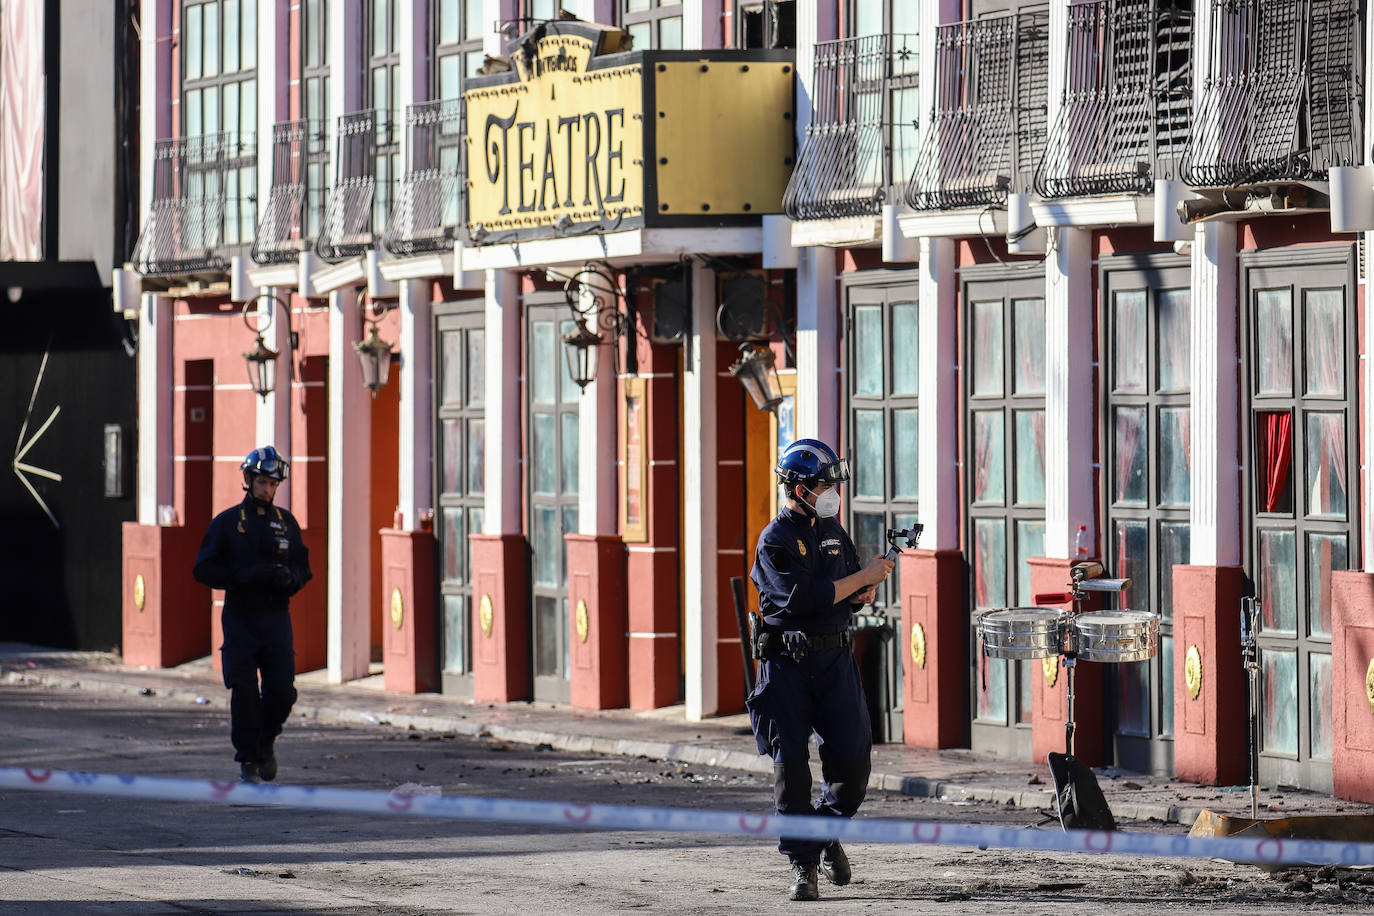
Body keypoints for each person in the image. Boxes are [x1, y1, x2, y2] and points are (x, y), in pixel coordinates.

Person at [747, 438, 894, 901]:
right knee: (791, 770)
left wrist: (863, 590)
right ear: (797, 487)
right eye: (823, 483)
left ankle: (826, 832)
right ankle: (803, 865)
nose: (832, 490)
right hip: (787, 665)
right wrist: (863, 579)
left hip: (834, 660)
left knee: (852, 763)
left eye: (834, 481)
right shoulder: (774, 539)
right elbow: (804, 599)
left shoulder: (832, 530)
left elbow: (847, 590)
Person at [193, 446, 311, 783]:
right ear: (249, 480)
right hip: (241, 617)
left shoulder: (286, 523)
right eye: (261, 482)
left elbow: (304, 566)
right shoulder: (228, 523)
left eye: (272, 484)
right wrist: (243, 576)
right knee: (243, 690)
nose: (267, 489)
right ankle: (248, 760)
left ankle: (266, 741)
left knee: (283, 691)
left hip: (276, 618)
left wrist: (292, 579)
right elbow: (203, 569)